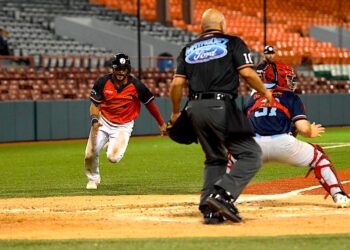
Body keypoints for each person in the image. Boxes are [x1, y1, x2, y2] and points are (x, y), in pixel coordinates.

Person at [169, 8, 273, 224]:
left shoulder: (188, 48)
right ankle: (223, 196)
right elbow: (246, 72)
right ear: (223, 25)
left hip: (194, 108)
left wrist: (175, 112)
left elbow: (177, 84)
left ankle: (209, 208)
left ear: (201, 28)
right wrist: (264, 91)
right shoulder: (232, 42)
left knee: (215, 158)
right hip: (221, 106)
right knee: (251, 155)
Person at [235, 61, 349, 208]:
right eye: (288, 78)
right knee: (319, 158)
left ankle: (221, 197)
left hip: (254, 147)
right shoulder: (290, 96)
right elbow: (303, 128)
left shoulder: (253, 97)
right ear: (278, 78)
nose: (291, 82)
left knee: (231, 159)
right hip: (284, 143)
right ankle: (339, 195)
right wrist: (310, 131)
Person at [84, 53, 167, 189]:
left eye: (124, 69)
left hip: (123, 125)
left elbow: (150, 104)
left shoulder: (136, 85)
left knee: (113, 158)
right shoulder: (103, 82)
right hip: (103, 121)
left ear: (128, 70)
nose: (121, 72)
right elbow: (94, 105)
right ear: (113, 69)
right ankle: (93, 178)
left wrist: (161, 123)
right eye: (118, 68)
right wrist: (94, 120)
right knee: (89, 154)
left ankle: (110, 144)